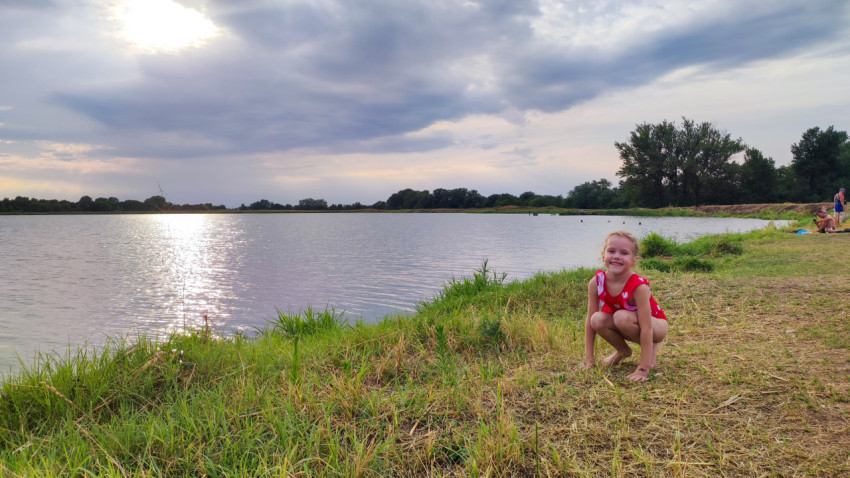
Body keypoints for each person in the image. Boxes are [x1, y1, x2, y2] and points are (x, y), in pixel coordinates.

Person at [579, 231, 668, 382]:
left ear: (634, 260)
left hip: (656, 326)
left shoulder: (638, 286)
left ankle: (651, 347)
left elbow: (646, 327)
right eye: (611, 251)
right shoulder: (596, 283)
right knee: (596, 319)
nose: (616, 256)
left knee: (621, 317)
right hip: (625, 320)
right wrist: (589, 361)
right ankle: (623, 351)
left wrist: (643, 368)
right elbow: (589, 323)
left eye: (624, 253)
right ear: (603, 255)